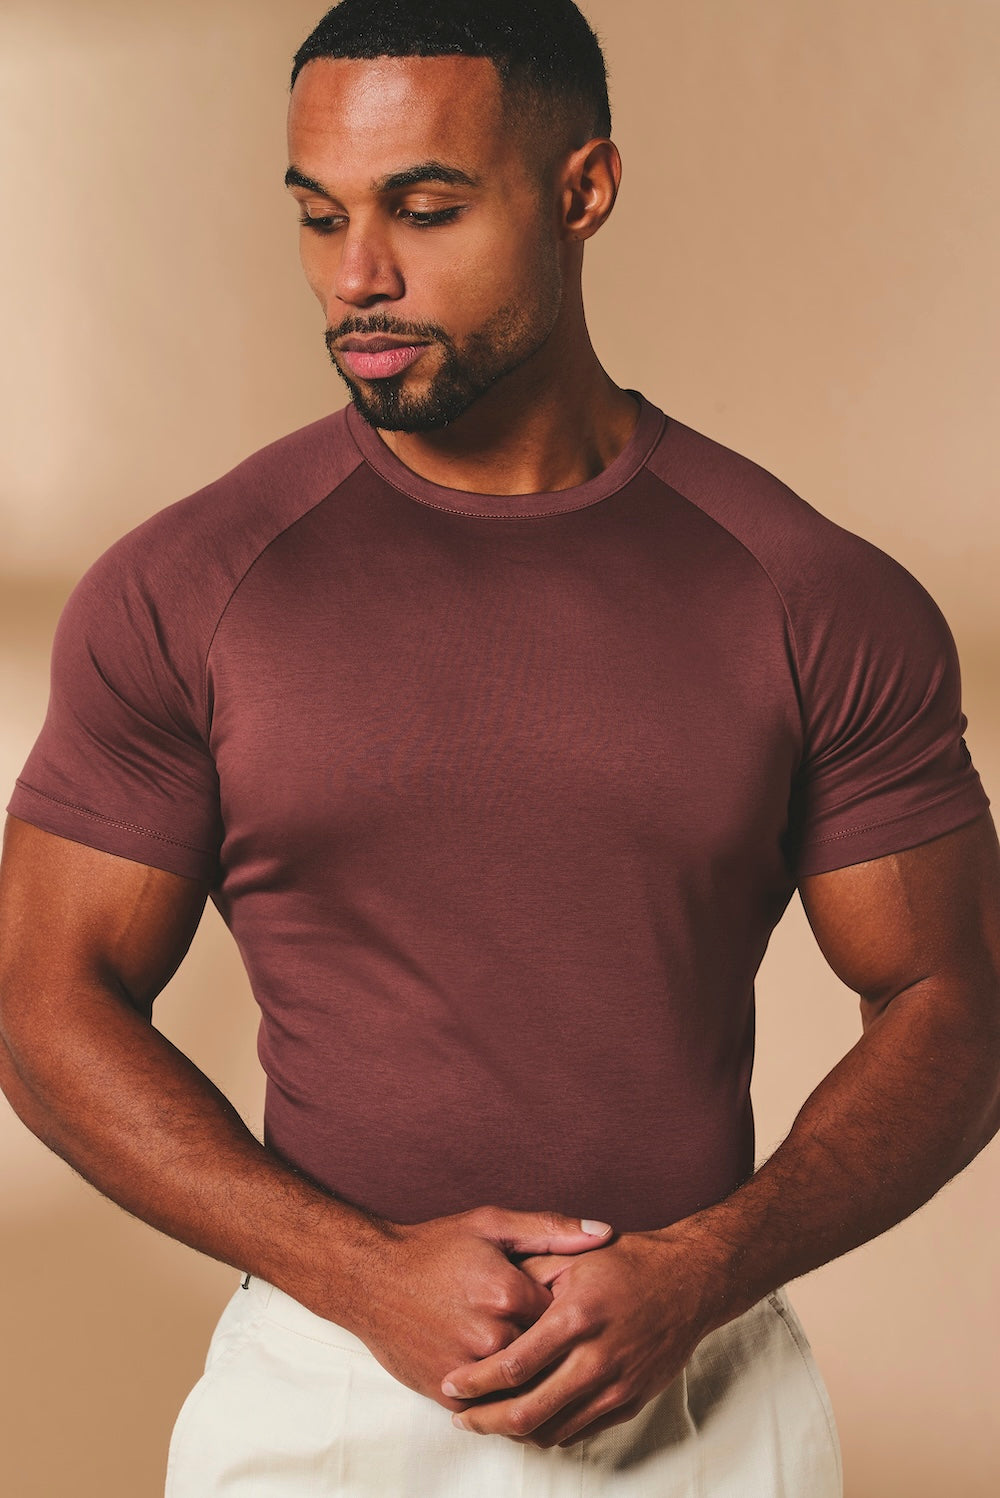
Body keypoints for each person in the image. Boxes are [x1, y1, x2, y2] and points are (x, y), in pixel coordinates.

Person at [1, 1, 998, 1493]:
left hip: (704, 1395)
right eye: (320, 215)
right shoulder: (188, 588)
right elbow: (40, 998)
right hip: (324, 1396)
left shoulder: (809, 593)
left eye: (424, 210)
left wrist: (708, 1267)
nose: (358, 276)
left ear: (583, 190)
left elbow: (954, 1001)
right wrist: (354, 1270)